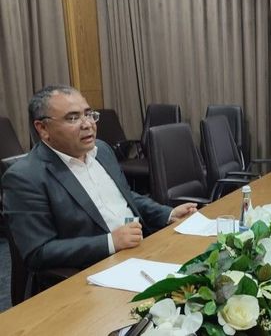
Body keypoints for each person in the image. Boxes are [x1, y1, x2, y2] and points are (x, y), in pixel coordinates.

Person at [2, 85, 198, 270]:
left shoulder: (102, 150)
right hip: (93, 269)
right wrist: (110, 242)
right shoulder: (24, 177)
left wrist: (167, 214)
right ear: (43, 129)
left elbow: (124, 196)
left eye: (88, 114)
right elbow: (38, 252)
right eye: (73, 118)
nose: (87, 124)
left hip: (140, 249)